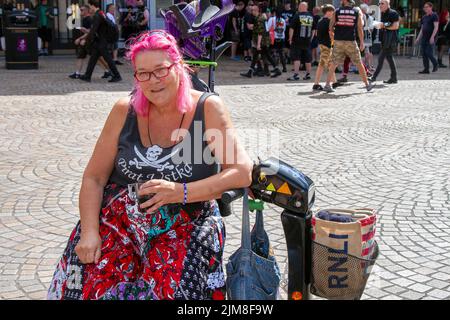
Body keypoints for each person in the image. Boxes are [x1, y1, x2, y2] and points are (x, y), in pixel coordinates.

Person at [47, 29, 253, 300]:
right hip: (117, 223)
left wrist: (180, 191)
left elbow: (241, 172)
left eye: (160, 70)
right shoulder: (125, 109)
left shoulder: (208, 108)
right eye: (143, 73)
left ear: (178, 66)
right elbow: (94, 178)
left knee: (170, 291)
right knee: (88, 287)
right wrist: (89, 232)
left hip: (186, 221)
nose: (153, 81)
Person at [324, 0, 373, 93]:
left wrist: (333, 36)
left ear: (344, 1)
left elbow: (330, 26)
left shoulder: (337, 11)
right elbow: (359, 28)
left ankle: (327, 85)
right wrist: (362, 42)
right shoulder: (356, 12)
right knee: (359, 62)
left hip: (338, 41)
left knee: (334, 63)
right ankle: (367, 84)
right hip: (351, 41)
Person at [80, 0, 122, 83]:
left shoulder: (97, 15)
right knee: (93, 58)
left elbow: (93, 29)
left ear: (93, 6)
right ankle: (87, 76)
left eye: (89, 6)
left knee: (108, 59)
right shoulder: (101, 13)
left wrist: (86, 39)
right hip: (100, 41)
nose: (89, 9)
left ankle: (117, 76)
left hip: (102, 42)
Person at [240, 4, 281, 78]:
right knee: (262, 56)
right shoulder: (261, 17)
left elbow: (260, 32)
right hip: (264, 40)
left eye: (252, 10)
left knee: (262, 55)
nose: (251, 11)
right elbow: (262, 28)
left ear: (256, 10)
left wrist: (258, 44)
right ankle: (272, 69)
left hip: (262, 41)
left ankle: (252, 72)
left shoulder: (259, 19)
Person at [369, 0, 399, 84]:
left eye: (382, 3)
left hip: (390, 40)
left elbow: (396, 26)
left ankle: (373, 77)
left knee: (380, 58)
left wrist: (382, 25)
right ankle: (394, 78)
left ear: (388, 4)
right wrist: (380, 25)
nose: (380, 5)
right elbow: (385, 24)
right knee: (390, 59)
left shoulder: (393, 13)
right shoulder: (383, 13)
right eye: (379, 3)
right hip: (385, 40)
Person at [287, 2, 317, 81]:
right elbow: (314, 28)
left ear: (302, 7)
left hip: (297, 40)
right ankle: (308, 74)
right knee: (308, 58)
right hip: (307, 40)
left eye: (299, 6)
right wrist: (311, 38)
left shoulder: (297, 16)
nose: (298, 7)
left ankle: (296, 75)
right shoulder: (311, 16)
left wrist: (290, 38)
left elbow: (292, 28)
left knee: (297, 58)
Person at [312, 4, 338, 91]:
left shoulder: (320, 21)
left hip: (322, 45)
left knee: (325, 64)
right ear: (329, 12)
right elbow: (331, 34)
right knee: (327, 65)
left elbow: (316, 34)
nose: (333, 13)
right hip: (327, 45)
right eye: (333, 11)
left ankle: (333, 83)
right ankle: (319, 84)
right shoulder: (328, 22)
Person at [69, 5, 93, 79]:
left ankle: (108, 71)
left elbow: (89, 32)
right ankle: (77, 73)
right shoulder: (84, 19)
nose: (80, 11)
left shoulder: (89, 19)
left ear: (86, 11)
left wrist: (81, 39)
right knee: (80, 56)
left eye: (82, 10)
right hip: (83, 41)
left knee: (98, 58)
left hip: (87, 41)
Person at [415, 2, 439, 74]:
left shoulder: (434, 15)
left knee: (429, 52)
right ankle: (426, 69)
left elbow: (436, 27)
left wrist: (432, 37)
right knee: (424, 53)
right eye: (424, 7)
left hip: (431, 37)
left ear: (431, 7)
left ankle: (435, 64)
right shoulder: (424, 17)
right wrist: (418, 38)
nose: (425, 8)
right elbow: (422, 29)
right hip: (424, 37)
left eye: (427, 7)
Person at [266, 8, 287, 72]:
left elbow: (268, 28)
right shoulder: (283, 20)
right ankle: (284, 68)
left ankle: (276, 67)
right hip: (281, 38)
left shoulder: (272, 19)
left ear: (274, 13)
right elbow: (284, 29)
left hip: (273, 38)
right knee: (281, 53)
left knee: (271, 52)